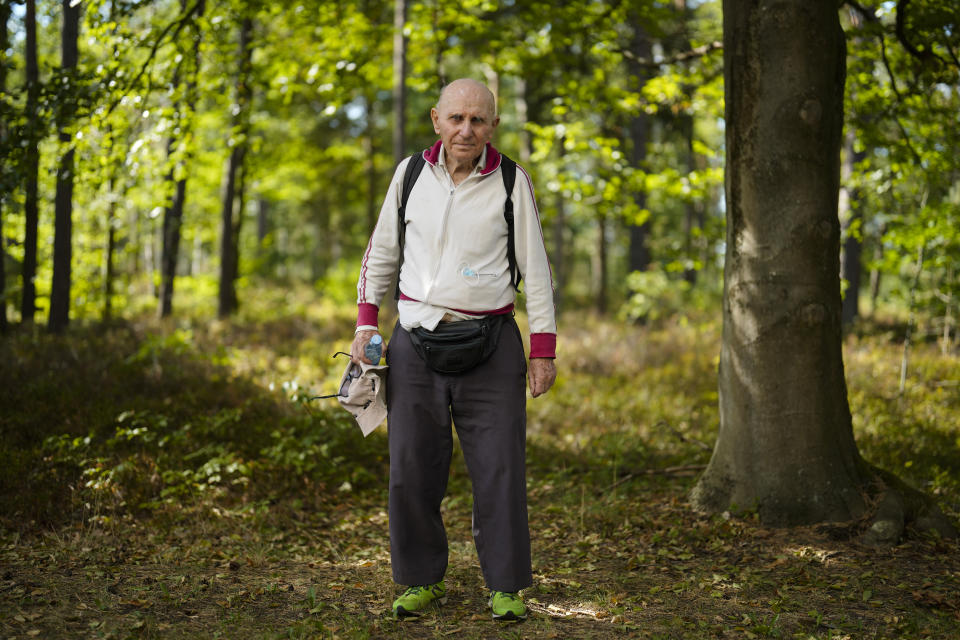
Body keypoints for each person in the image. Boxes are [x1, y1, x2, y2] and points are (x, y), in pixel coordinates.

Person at [351, 78, 557, 621]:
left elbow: (536, 270)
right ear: (437, 119)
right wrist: (365, 325)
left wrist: (543, 348)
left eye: (479, 120)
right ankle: (420, 579)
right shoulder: (410, 174)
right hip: (414, 340)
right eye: (457, 119)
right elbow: (381, 253)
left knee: (500, 467)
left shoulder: (512, 181)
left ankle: (507, 587)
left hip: (492, 345)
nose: (467, 130)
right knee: (411, 467)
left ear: (493, 125)